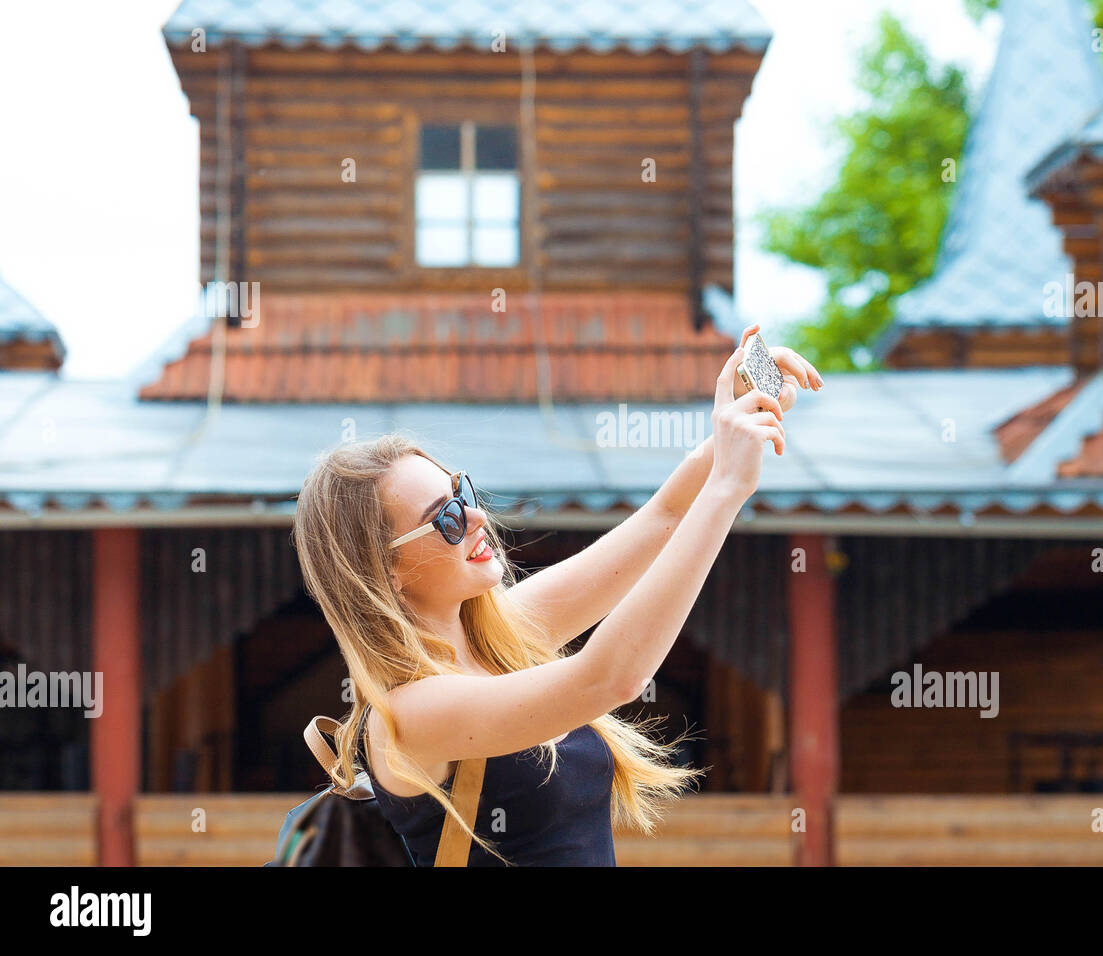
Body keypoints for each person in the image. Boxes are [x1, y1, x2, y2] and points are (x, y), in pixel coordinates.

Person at [291, 325, 823, 865]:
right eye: (445, 519)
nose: (476, 516)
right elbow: (611, 676)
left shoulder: (494, 633)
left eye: (463, 492)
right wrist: (728, 487)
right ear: (386, 573)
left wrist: (730, 423)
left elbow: (662, 515)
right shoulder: (409, 714)